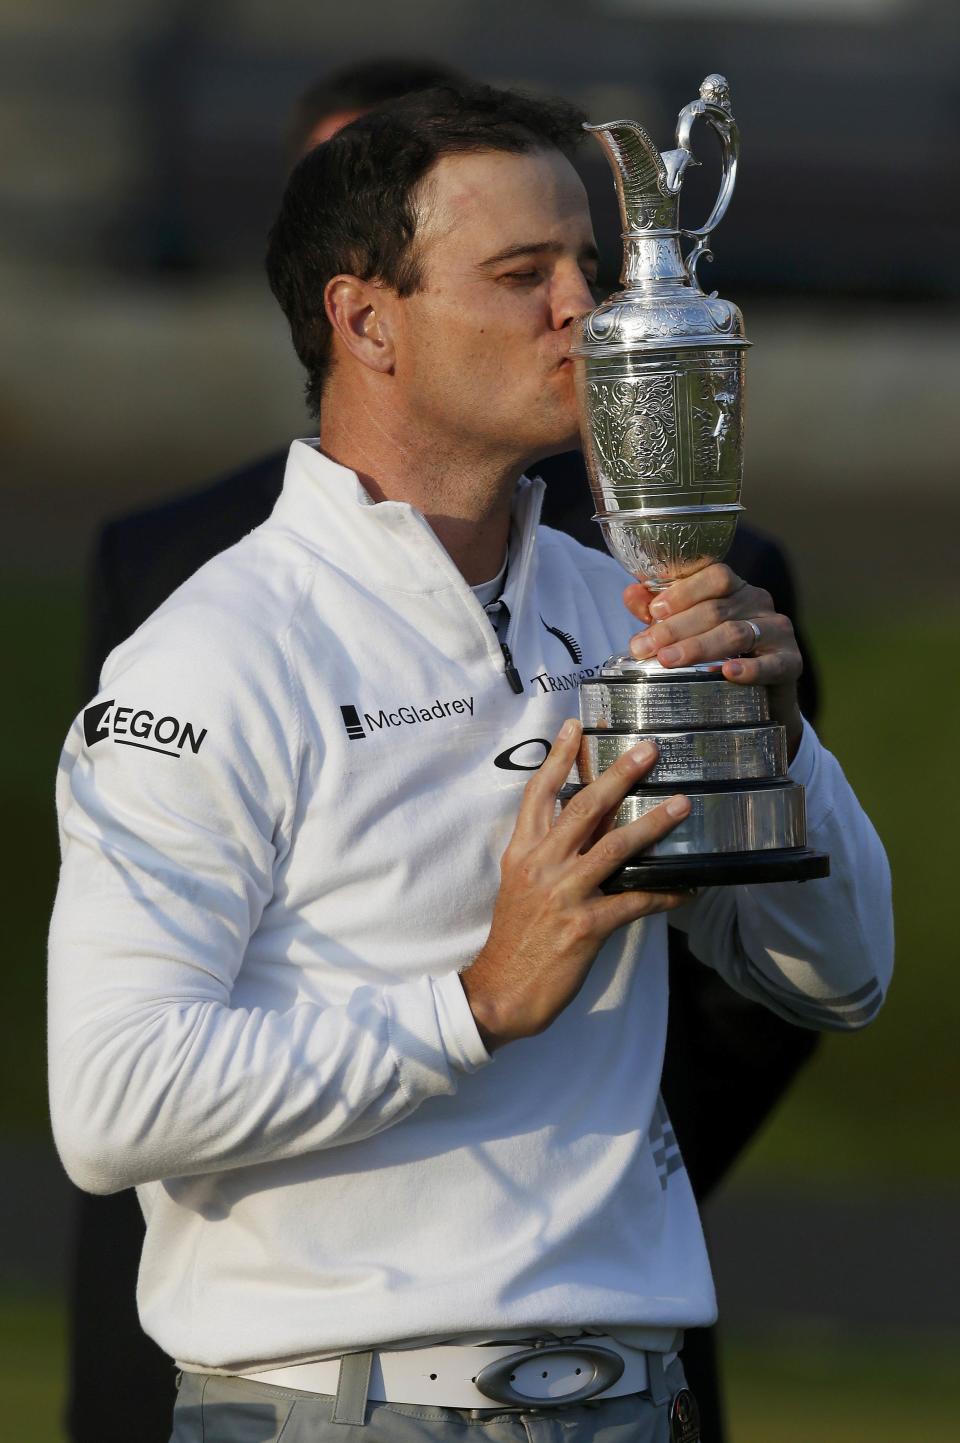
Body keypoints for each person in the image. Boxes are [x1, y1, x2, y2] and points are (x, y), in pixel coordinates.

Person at [52, 84, 882, 1443]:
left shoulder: (621, 599)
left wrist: (775, 741)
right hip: (339, 1409)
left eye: (591, 271)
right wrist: (479, 999)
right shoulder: (214, 654)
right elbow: (112, 1101)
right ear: (366, 320)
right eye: (523, 276)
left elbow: (843, 976)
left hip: (636, 1400)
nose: (587, 312)